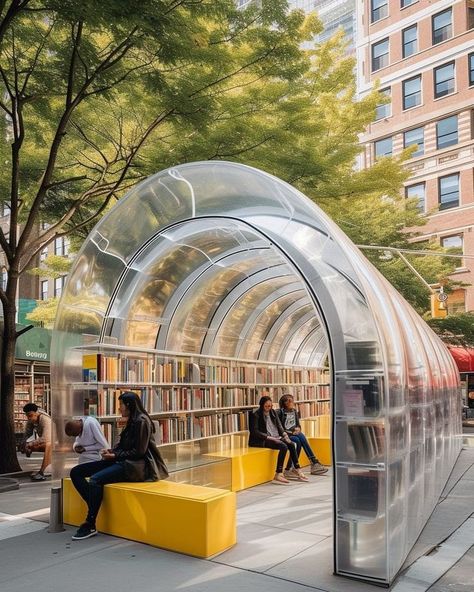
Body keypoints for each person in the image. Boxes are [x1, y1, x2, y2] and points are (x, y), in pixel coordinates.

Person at [70, 391, 169, 541]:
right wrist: (112, 451)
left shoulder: (141, 421)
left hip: (135, 466)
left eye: (121, 405)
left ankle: (90, 523)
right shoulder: (132, 420)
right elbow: (125, 446)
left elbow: (139, 452)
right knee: (76, 472)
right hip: (123, 460)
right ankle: (93, 502)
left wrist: (115, 455)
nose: (119, 409)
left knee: (95, 480)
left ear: (128, 405)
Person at [249, 395, 308, 484]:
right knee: (283, 446)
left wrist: (285, 435)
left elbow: (279, 426)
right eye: (266, 406)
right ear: (261, 405)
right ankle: (279, 473)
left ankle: (297, 469)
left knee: (291, 444)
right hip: (262, 439)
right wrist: (269, 437)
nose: (269, 408)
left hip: (275, 436)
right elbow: (254, 431)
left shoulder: (273, 412)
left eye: (270, 406)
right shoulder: (255, 414)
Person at [278, 394, 328, 477]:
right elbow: (280, 427)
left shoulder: (294, 411)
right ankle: (313, 462)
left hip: (295, 434)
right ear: (284, 403)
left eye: (292, 400)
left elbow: (298, 425)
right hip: (286, 435)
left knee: (299, 439)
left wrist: (298, 429)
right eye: (288, 400)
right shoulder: (280, 412)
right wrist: (291, 433)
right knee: (299, 439)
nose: (291, 402)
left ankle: (290, 468)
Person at [19, 403, 52, 481]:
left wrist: (31, 443)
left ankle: (42, 472)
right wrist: (24, 444)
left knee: (49, 445)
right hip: (47, 442)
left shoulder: (45, 419)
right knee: (29, 445)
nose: (29, 418)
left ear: (36, 413)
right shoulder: (31, 420)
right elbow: (27, 433)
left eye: (30, 415)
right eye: (27, 416)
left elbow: (46, 438)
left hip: (58, 443)